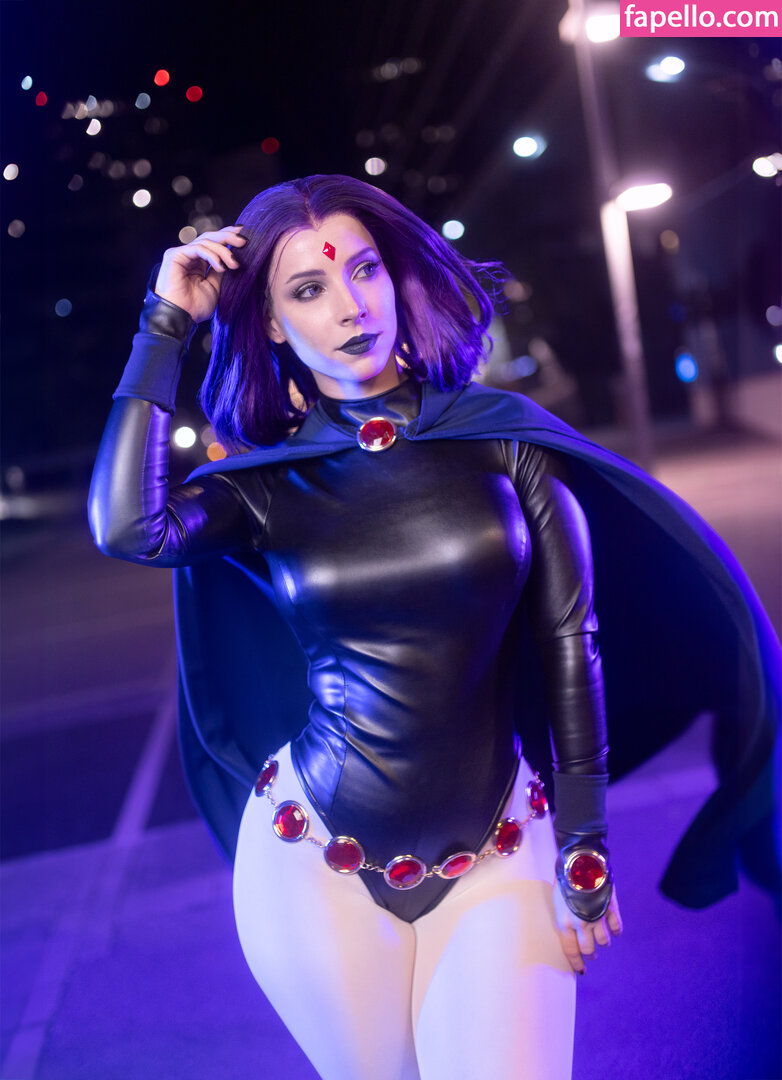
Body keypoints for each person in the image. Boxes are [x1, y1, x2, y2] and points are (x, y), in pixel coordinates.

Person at [88, 175, 778, 1080]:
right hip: (309, 858)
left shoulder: (505, 440)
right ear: (270, 323)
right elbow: (129, 528)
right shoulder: (265, 487)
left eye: (364, 270)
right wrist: (165, 322)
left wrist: (585, 840)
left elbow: (570, 643)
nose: (351, 306)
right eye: (309, 289)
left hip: (502, 848)